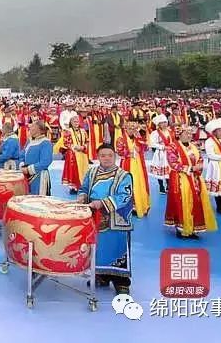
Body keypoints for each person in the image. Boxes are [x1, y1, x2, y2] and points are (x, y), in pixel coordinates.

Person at [76, 143, 133, 295]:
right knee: (98, 248)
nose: (106, 158)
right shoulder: (92, 172)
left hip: (115, 217)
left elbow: (125, 196)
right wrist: (82, 197)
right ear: (98, 157)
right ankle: (101, 276)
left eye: (110, 155)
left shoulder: (124, 175)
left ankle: (121, 282)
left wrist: (103, 203)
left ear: (115, 157)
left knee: (117, 248)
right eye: (103, 155)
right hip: (95, 217)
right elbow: (84, 188)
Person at [165, 126, 217, 239]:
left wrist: (198, 166)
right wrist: (192, 168)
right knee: (181, 201)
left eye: (190, 133)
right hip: (180, 179)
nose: (189, 135)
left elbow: (200, 159)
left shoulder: (194, 147)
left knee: (195, 201)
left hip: (194, 179)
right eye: (186, 133)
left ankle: (193, 228)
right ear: (179, 134)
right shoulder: (172, 147)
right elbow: (173, 162)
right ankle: (181, 228)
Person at [116, 121, 150, 218]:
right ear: (126, 129)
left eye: (134, 129)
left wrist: (140, 140)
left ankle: (139, 204)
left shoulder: (137, 138)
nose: (132, 131)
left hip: (138, 164)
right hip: (127, 164)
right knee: (129, 184)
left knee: (140, 183)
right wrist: (129, 152)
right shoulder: (121, 139)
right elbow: (119, 151)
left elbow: (146, 148)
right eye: (130, 128)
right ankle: (129, 205)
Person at [55, 114, 90, 194]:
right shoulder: (68, 131)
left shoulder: (83, 131)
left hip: (82, 154)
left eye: (77, 121)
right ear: (71, 122)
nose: (76, 123)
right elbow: (66, 142)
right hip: (73, 154)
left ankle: (83, 186)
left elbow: (87, 141)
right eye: (74, 121)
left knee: (83, 170)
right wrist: (75, 147)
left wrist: (83, 147)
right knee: (73, 171)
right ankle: (73, 187)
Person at [20, 120, 52, 195]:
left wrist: (29, 169)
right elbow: (22, 154)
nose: (30, 128)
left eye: (33, 126)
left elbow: (45, 162)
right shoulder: (29, 141)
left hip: (39, 177)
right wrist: (22, 165)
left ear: (39, 130)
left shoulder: (46, 143)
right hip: (26, 175)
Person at [148, 115, 172, 195]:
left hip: (169, 153)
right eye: (162, 123)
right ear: (158, 124)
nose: (164, 124)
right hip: (160, 153)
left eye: (165, 122)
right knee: (160, 170)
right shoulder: (155, 133)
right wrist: (162, 147)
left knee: (169, 169)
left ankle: (168, 185)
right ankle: (161, 186)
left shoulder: (170, 131)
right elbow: (151, 143)